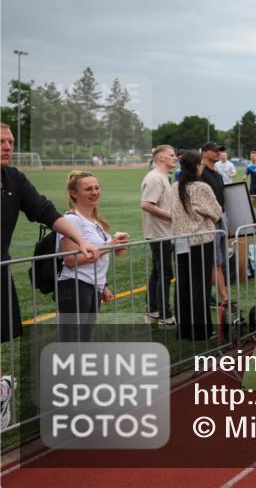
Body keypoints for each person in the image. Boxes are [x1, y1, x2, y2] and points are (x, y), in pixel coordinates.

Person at [1, 123, 99, 430]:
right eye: (1, 141)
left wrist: (81, 240)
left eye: (11, 141)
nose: (8, 146)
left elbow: (46, 212)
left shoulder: (14, 178)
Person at [56, 171, 130, 342]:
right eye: (88, 189)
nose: (95, 192)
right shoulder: (72, 220)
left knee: (83, 338)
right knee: (73, 341)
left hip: (91, 286)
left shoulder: (96, 222)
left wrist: (103, 286)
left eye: (97, 188)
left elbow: (98, 254)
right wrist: (109, 247)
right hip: (74, 286)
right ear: (74, 193)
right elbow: (70, 261)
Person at [170, 151, 221, 340]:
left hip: (181, 241)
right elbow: (216, 212)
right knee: (200, 286)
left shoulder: (175, 186)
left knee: (183, 285)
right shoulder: (200, 187)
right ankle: (200, 331)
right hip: (200, 241)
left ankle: (183, 330)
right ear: (197, 166)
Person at [140, 144, 177, 326]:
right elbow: (146, 204)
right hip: (159, 233)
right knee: (164, 273)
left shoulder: (163, 177)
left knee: (158, 272)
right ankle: (165, 315)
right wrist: (172, 216)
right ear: (160, 158)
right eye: (171, 155)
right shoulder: (155, 178)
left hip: (162, 233)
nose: (175, 157)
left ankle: (153, 311)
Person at [199, 142, 229, 308]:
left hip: (221, 217)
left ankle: (208, 296)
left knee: (219, 260)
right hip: (210, 221)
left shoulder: (216, 174)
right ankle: (224, 298)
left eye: (220, 151)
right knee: (215, 261)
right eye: (215, 151)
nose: (218, 153)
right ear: (204, 153)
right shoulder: (201, 172)